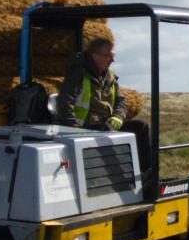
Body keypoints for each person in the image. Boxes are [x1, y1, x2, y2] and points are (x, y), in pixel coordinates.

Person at [56, 37, 151, 174]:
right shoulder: (78, 74)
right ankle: (118, 175)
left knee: (141, 127)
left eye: (113, 56)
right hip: (82, 128)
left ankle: (146, 174)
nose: (113, 60)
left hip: (104, 126)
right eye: (109, 56)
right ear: (94, 55)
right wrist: (73, 129)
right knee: (107, 129)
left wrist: (118, 116)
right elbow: (65, 102)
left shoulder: (110, 77)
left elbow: (121, 101)